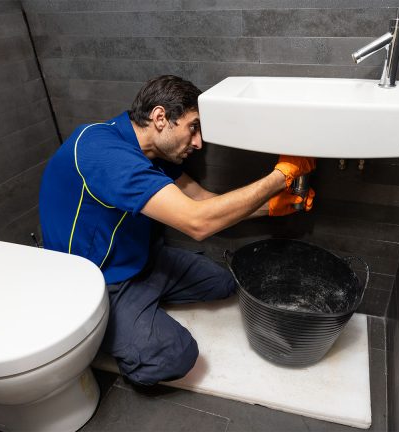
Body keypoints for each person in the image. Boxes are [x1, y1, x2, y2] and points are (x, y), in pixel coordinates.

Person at [39, 75, 315, 386]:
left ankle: (143, 308)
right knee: (176, 355)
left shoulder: (152, 152)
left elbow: (202, 200)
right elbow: (198, 222)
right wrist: (281, 176)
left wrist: (274, 207)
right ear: (160, 118)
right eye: (193, 127)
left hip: (142, 260)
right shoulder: (102, 151)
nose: (198, 143)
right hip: (100, 282)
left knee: (224, 282)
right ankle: (113, 334)